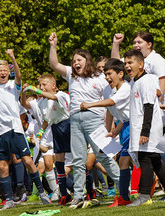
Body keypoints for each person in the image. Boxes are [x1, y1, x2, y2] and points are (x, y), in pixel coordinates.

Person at [48, 32, 120, 209]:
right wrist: (53, 45)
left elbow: (117, 66)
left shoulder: (100, 77)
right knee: (78, 160)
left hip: (94, 120)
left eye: (79, 59)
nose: (75, 63)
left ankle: (125, 188)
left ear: (87, 60)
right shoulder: (72, 75)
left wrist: (115, 44)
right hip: (75, 121)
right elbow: (54, 64)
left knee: (105, 155)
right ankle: (79, 196)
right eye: (73, 61)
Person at [0, 50, 51, 210]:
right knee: (3, 166)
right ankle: (9, 200)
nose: (2, 73)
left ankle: (42, 193)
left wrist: (13, 57)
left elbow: (18, 76)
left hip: (16, 130)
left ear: (8, 71)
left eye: (5, 70)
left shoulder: (13, 85)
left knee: (27, 161)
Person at [123, 49, 165, 207]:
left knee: (145, 159)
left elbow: (148, 106)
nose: (127, 66)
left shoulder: (146, 81)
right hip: (144, 128)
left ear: (141, 64)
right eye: (125, 63)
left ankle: (145, 195)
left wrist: (144, 132)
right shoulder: (136, 81)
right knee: (155, 160)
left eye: (130, 62)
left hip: (148, 129)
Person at [80, 58, 133, 207]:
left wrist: (90, 105)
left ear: (121, 74)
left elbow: (111, 103)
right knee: (125, 161)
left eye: (109, 73)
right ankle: (124, 196)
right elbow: (112, 111)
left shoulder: (125, 88)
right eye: (105, 75)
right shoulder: (110, 89)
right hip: (125, 127)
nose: (107, 78)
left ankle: (153, 189)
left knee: (137, 161)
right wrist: (111, 131)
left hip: (134, 127)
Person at [23, 74, 74, 205]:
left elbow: (53, 97)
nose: (42, 87)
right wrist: (40, 132)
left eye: (44, 84)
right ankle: (64, 194)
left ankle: (88, 192)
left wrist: (35, 89)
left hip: (68, 126)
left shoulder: (61, 94)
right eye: (40, 85)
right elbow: (47, 119)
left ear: (53, 85)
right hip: (56, 129)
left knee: (80, 162)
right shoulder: (41, 102)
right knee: (58, 165)